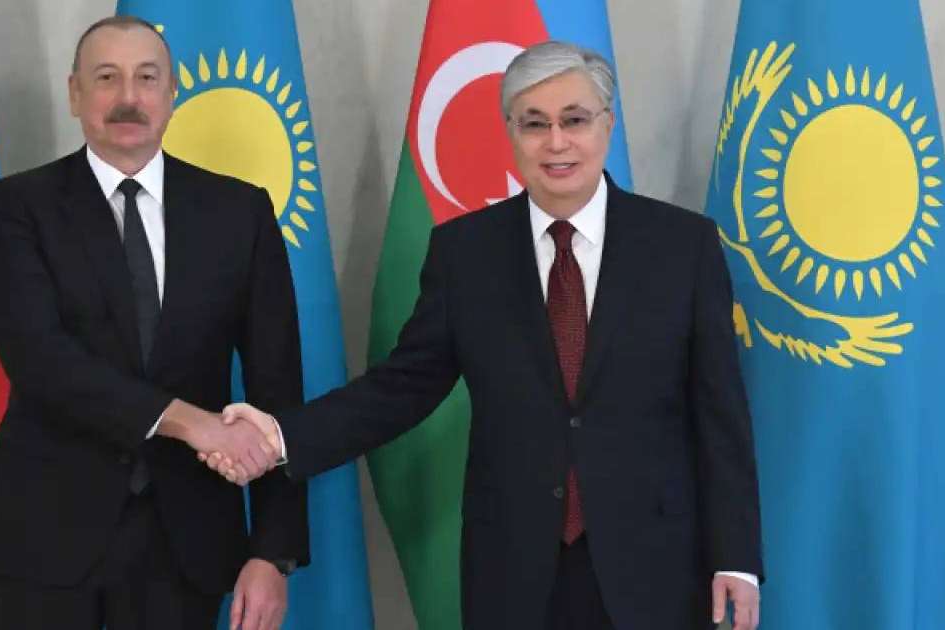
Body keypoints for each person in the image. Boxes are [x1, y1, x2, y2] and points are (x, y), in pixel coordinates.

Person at [211, 41, 764, 630]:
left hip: (654, 565)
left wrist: (736, 559)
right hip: (514, 568)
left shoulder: (685, 247)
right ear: (510, 132)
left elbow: (720, 415)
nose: (556, 142)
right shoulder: (465, 253)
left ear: (607, 124)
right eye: (534, 124)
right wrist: (278, 436)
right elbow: (402, 388)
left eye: (574, 120)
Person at [0, 16, 304, 630]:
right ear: (74, 94)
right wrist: (191, 422)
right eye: (106, 78)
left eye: (147, 78)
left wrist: (272, 554)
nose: (128, 98)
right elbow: (40, 360)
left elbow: (277, 388)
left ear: (172, 93)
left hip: (189, 547)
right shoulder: (15, 207)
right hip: (46, 537)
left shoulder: (241, 212)